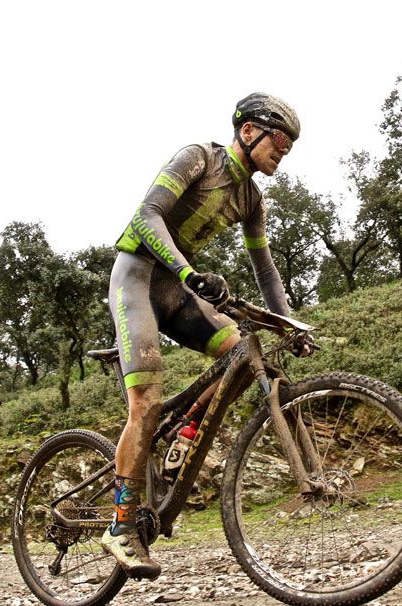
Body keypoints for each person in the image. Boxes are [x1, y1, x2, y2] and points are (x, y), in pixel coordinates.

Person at [102, 93, 311, 579]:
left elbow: (266, 270)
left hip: (178, 288)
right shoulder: (197, 157)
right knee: (147, 406)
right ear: (247, 131)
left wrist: (290, 324)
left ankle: (186, 431)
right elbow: (146, 216)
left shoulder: (251, 199)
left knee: (242, 353)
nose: (284, 150)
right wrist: (188, 271)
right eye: (278, 139)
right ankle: (119, 524)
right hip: (137, 280)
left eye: (290, 146)